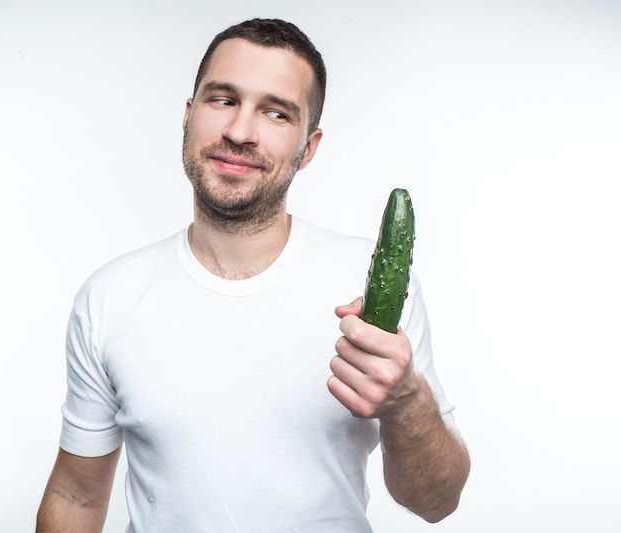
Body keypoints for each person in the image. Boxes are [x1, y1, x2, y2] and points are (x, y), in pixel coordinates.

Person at [36, 18, 470, 533]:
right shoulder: (110, 296)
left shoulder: (369, 291)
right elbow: (75, 495)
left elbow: (435, 502)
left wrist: (405, 401)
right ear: (188, 115)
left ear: (308, 148)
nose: (240, 132)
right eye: (222, 100)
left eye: (276, 113)